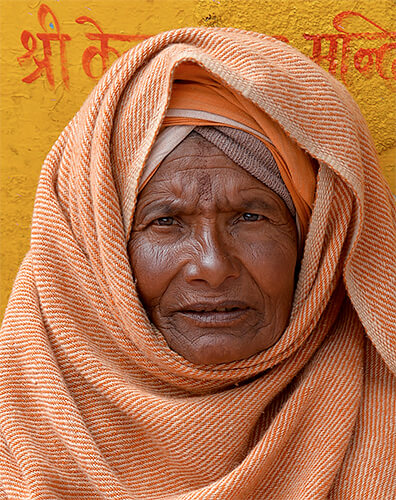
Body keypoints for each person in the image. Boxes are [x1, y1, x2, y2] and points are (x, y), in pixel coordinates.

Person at [0, 26, 394, 499]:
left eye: (251, 216)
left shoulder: (380, 415)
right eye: (166, 221)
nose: (211, 264)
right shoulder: (22, 423)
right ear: (100, 253)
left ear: (315, 241)